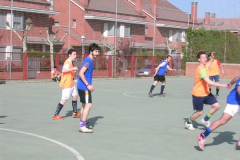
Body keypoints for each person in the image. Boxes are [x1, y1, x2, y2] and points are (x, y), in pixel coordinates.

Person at [185, 52, 229, 131]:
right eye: (203, 58)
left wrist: (212, 58)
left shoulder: (205, 66)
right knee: (199, 112)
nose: (205, 59)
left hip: (206, 93)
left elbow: (208, 64)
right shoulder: (201, 70)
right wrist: (222, 85)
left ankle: (205, 120)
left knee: (217, 106)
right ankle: (188, 122)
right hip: (198, 94)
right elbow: (209, 82)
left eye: (205, 57)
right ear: (199, 59)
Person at [197, 75, 239, 150]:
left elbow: (236, 78)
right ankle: (203, 135)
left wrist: (231, 83)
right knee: (222, 121)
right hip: (234, 101)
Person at [77, 43, 100, 133]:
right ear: (91, 52)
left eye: (98, 51)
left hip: (81, 86)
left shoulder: (89, 60)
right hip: (84, 87)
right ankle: (82, 126)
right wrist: (88, 85)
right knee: (88, 105)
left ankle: (82, 123)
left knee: (84, 105)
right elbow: (81, 73)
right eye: (96, 51)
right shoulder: (88, 61)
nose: (97, 53)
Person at [52, 49, 80, 120]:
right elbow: (64, 70)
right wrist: (73, 68)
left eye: (75, 54)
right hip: (67, 85)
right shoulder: (67, 62)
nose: (75, 56)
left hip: (71, 84)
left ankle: (75, 112)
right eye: (74, 54)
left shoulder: (70, 62)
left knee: (75, 96)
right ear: (69, 55)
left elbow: (64, 72)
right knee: (63, 100)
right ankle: (56, 115)